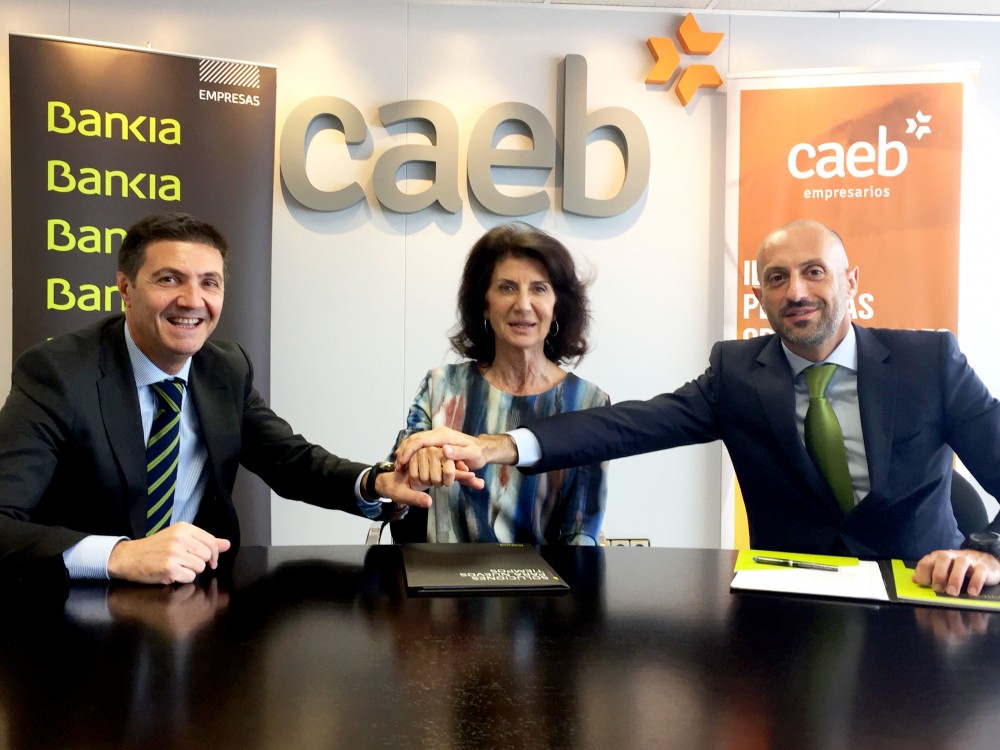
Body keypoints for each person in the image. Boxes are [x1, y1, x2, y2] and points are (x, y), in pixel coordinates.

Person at [396, 219, 1000, 596]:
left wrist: (986, 550)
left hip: (926, 597)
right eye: (777, 278)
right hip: (793, 612)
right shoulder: (740, 375)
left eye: (814, 272)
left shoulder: (929, 363)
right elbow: (630, 424)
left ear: (851, 281)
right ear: (759, 294)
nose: (796, 291)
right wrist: (498, 445)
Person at [0, 212, 479, 586]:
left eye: (209, 282)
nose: (193, 300)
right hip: (81, 606)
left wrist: (375, 482)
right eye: (169, 279)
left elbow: (291, 462)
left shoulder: (224, 368)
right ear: (126, 288)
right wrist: (119, 554)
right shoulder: (59, 374)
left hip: (198, 599)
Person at [389, 222, 609, 545]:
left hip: (548, 577)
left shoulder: (587, 403)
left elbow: (581, 531)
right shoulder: (441, 388)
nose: (523, 304)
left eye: (539, 289)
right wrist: (415, 474)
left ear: (557, 306)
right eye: (507, 288)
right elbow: (393, 498)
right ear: (484, 303)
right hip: (445, 576)